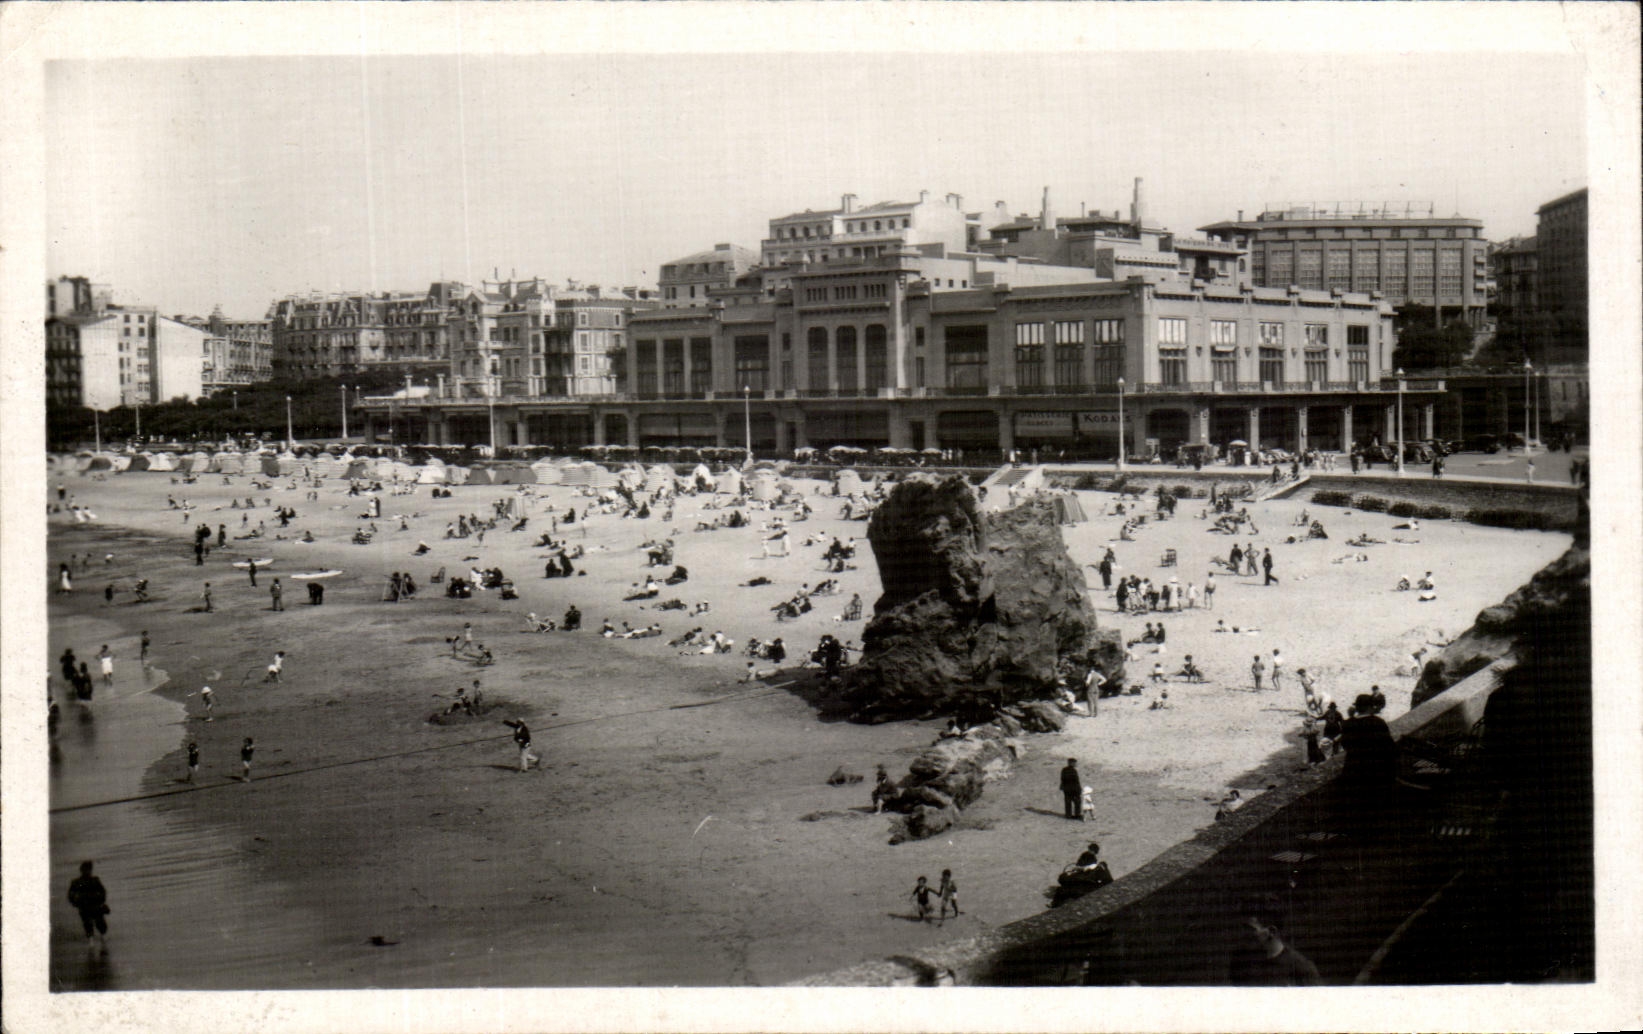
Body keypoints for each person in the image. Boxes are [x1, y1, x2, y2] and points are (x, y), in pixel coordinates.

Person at [67, 860, 110, 949]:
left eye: (89, 869)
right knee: (88, 923)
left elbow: (103, 892)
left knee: (100, 923)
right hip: (84, 906)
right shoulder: (76, 882)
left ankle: (101, 938)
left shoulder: (94, 880)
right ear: (81, 870)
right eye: (85, 869)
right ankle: (92, 940)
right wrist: (75, 903)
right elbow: (70, 895)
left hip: (95, 905)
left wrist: (101, 902)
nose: (87, 871)